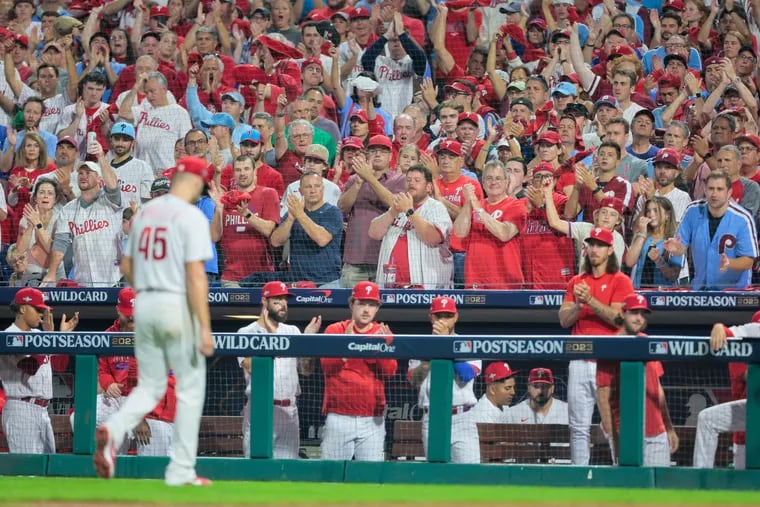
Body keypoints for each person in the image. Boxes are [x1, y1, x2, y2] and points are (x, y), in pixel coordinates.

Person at [94, 156, 215, 486]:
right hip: (174, 305)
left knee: (150, 386)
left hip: (145, 305)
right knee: (191, 388)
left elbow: (127, 267)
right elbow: (196, 277)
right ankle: (182, 470)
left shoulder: (145, 214)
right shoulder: (189, 216)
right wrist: (203, 327)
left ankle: (114, 429)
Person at [558, 227, 634, 465]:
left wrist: (590, 299)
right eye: (591, 244)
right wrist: (579, 306)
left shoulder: (621, 280)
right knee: (578, 426)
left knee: (613, 424)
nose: (594, 249)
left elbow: (620, 319)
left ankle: (621, 470)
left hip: (608, 363)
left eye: (600, 245)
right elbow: (563, 319)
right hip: (579, 360)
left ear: (610, 250)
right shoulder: (576, 281)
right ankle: (579, 477)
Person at [238, 281, 321, 459]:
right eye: (277, 300)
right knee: (256, 466)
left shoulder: (292, 331)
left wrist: (308, 342)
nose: (283, 304)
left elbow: (306, 370)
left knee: (286, 470)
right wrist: (271, 335)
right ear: (264, 301)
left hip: (289, 411)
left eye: (285, 300)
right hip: (261, 410)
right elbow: (252, 367)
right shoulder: (246, 332)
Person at [596, 294, 678, 467]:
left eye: (642, 314)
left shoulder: (648, 343)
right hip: (626, 434)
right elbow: (603, 399)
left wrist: (669, 427)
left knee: (659, 488)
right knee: (626, 491)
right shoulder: (609, 347)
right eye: (634, 313)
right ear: (623, 313)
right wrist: (614, 440)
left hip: (656, 432)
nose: (639, 318)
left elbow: (658, 390)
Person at [320, 281, 397, 461]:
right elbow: (326, 367)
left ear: (377, 308)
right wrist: (346, 345)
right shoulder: (335, 330)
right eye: (361, 303)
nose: (366, 310)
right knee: (333, 476)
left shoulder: (383, 332)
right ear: (351, 304)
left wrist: (379, 348)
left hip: (372, 419)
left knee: (370, 477)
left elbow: (389, 373)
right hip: (339, 416)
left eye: (371, 305)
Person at [95, 287, 176, 457]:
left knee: (153, 467)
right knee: (82, 418)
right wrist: (108, 383)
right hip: (118, 400)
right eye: (128, 314)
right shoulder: (108, 335)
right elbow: (102, 369)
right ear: (118, 309)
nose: (132, 319)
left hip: (151, 408)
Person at [0, 287, 78, 453]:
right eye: (37, 309)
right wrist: (48, 338)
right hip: (21, 409)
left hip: (42, 410)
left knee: (47, 468)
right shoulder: (9, 336)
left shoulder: (39, 335)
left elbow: (59, 366)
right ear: (22, 308)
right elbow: (30, 368)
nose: (41, 314)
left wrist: (59, 338)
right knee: (27, 469)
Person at [408, 296, 481, 463]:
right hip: (432, 418)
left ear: (456, 317)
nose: (443, 320)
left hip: (463, 418)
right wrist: (427, 359)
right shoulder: (420, 345)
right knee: (436, 473)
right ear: (431, 317)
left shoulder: (468, 343)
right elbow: (413, 380)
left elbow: (466, 374)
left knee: (469, 474)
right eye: (438, 316)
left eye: (447, 316)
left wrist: (446, 343)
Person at [42, 143, 122, 288]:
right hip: (82, 282)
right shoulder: (68, 209)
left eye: (88, 173)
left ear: (99, 179)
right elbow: (60, 243)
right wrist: (52, 272)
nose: (83, 176)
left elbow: (113, 186)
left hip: (113, 280)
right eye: (81, 173)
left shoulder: (110, 201)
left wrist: (101, 157)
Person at [664, 171, 758, 290]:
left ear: (729, 192)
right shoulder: (692, 211)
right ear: (705, 190)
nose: (714, 194)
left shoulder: (742, 219)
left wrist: (730, 263)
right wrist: (676, 249)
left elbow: (749, 260)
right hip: (701, 291)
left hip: (734, 293)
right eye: (711, 188)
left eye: (719, 189)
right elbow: (681, 248)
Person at [369, 164, 453, 289]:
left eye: (417, 180)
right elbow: (373, 233)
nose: (411, 183)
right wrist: (392, 212)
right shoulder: (398, 208)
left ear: (429, 187)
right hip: (390, 285)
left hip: (425, 287)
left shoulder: (436, 207)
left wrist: (409, 211)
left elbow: (433, 237)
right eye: (408, 180)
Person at [693, 313, 758, 469]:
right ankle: (701, 478)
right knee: (706, 419)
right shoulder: (743, 345)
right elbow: (749, 376)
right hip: (747, 430)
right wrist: (718, 327)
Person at [453, 160, 527, 289]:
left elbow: (504, 234)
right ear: (483, 182)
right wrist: (468, 203)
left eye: (498, 178)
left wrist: (479, 210)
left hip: (505, 281)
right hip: (475, 279)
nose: (493, 182)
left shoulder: (516, 205)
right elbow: (459, 232)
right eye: (489, 178)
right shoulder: (475, 205)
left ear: (506, 182)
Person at [270, 171, 343, 287]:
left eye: (317, 186)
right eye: (308, 187)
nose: (313, 190)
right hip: (298, 283)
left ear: (322, 189)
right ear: (300, 191)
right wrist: (290, 219)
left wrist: (300, 214)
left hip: (327, 283)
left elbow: (322, 239)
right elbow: (275, 241)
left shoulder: (333, 212)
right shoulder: (294, 213)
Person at [625, 197, 684, 289]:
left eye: (656, 211)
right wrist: (642, 234)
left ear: (667, 215)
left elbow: (673, 275)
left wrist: (658, 260)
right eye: (648, 211)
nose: (651, 214)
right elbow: (629, 262)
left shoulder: (674, 240)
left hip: (664, 296)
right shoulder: (641, 235)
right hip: (640, 292)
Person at [504, 368, 568, 425]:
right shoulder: (514, 413)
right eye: (536, 386)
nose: (540, 391)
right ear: (528, 388)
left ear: (552, 388)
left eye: (545, 386)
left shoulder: (567, 411)